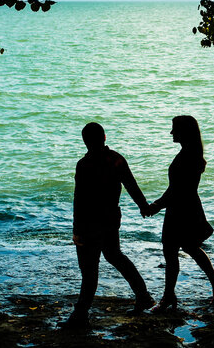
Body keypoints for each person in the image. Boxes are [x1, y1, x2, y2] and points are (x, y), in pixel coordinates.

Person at [60, 122, 155, 329]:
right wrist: (144, 206)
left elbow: (80, 200)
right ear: (104, 137)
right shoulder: (116, 160)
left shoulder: (84, 164)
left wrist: (77, 230)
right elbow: (132, 185)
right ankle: (143, 295)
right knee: (115, 256)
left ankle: (81, 314)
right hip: (111, 220)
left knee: (89, 270)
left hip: (89, 224)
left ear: (85, 141)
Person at [145, 115, 214, 310]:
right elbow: (177, 188)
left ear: (184, 131)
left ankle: (168, 298)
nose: (171, 132)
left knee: (172, 252)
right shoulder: (190, 153)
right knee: (189, 248)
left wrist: (156, 205)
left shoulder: (187, 156)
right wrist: (158, 204)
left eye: (174, 129)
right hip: (187, 206)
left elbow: (176, 190)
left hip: (181, 209)